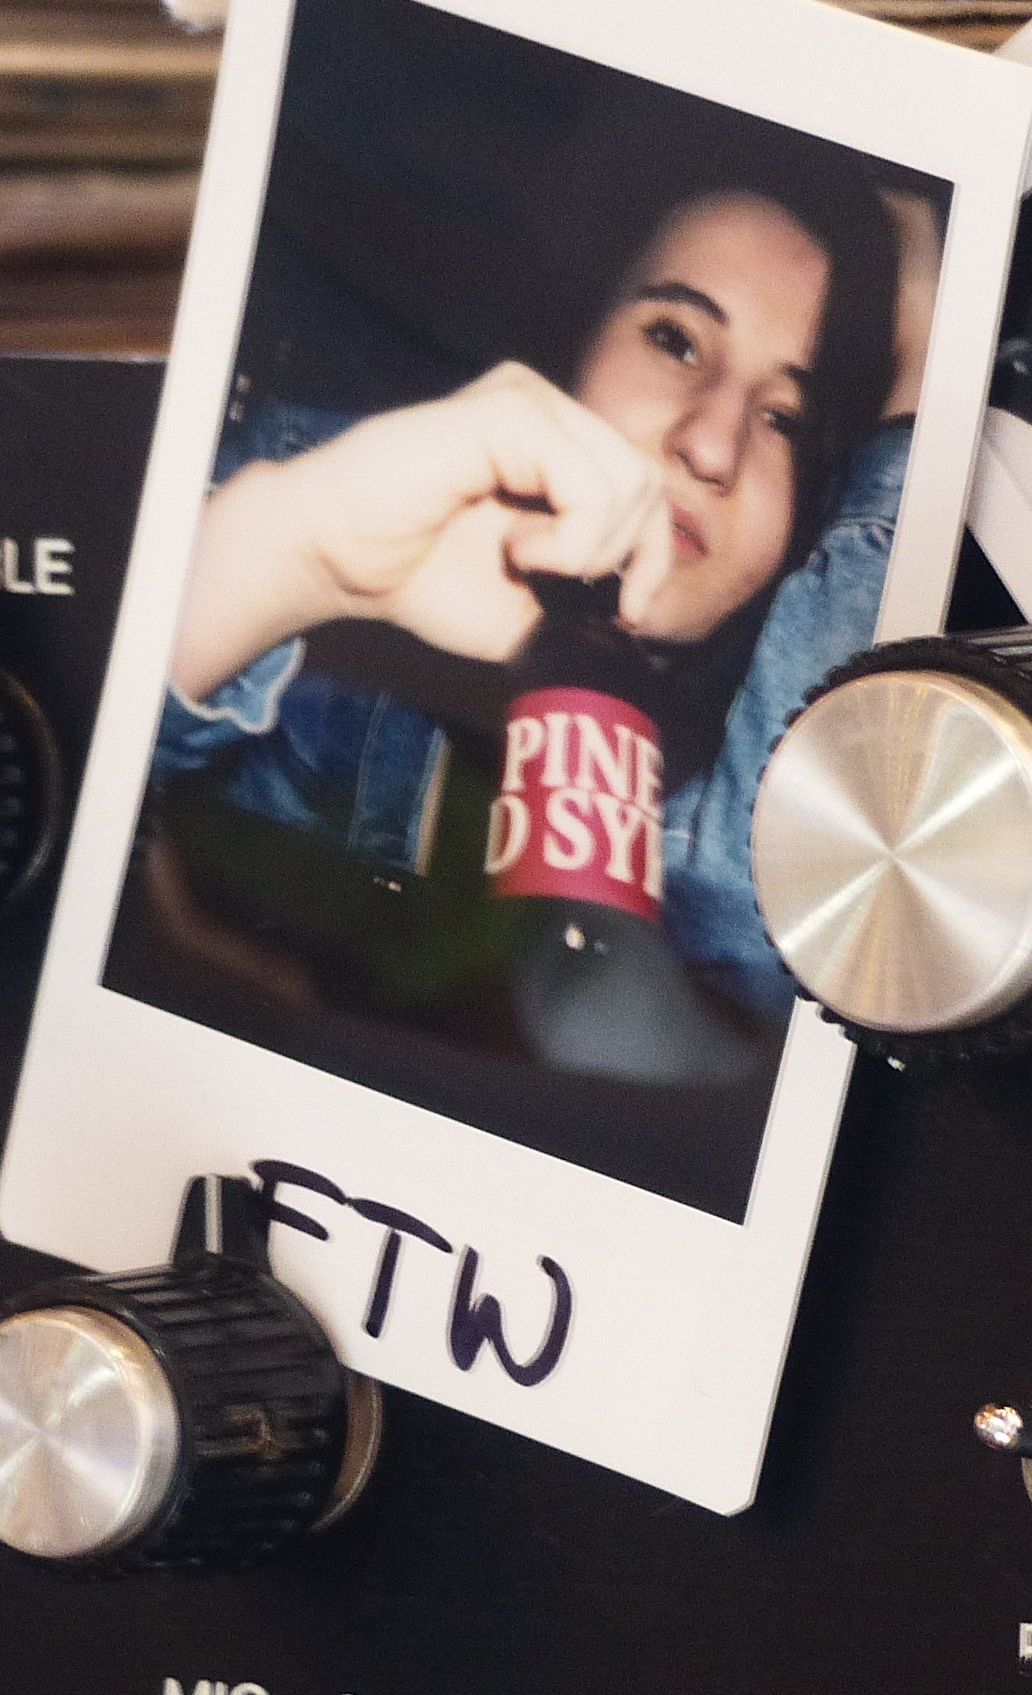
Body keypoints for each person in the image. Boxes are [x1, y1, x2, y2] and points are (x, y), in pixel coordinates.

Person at [147, 115, 911, 1034]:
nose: (712, 445)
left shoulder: (779, 781)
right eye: (675, 340)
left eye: (785, 417)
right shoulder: (320, 499)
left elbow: (790, 954)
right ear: (565, 348)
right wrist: (294, 557)